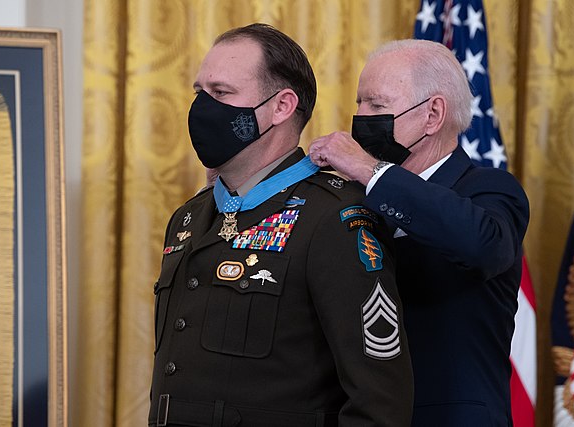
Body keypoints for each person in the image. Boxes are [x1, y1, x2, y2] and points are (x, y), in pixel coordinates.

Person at [149, 24, 413, 427]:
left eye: (221, 93)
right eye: (199, 93)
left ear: (282, 106)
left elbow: (379, 400)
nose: (203, 107)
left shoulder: (334, 217)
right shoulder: (188, 217)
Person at [309, 39, 530, 427]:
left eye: (376, 105)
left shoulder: (488, 189)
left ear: (432, 115)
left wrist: (371, 171)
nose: (360, 118)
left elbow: (484, 245)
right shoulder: (350, 199)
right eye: (359, 103)